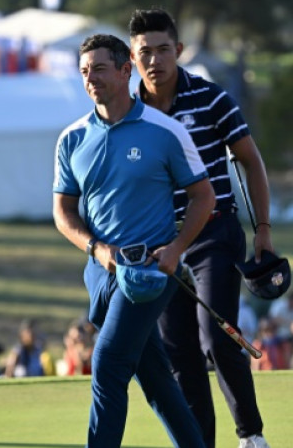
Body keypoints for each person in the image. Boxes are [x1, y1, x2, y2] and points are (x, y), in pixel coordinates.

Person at [52, 33, 213, 447]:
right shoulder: (72, 138)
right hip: (100, 270)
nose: (91, 79)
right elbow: (63, 212)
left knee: (107, 363)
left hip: (147, 274)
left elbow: (203, 197)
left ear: (126, 71)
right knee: (155, 376)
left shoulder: (165, 130)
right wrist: (96, 249)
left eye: (100, 69)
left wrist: (176, 250)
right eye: (85, 71)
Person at [129, 8, 275, 448]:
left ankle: (251, 436)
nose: (154, 61)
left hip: (214, 231)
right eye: (144, 53)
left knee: (216, 334)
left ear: (178, 50)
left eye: (162, 50)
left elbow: (251, 162)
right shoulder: (129, 112)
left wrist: (263, 229)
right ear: (132, 60)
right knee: (180, 353)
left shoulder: (212, 99)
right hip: (159, 243)